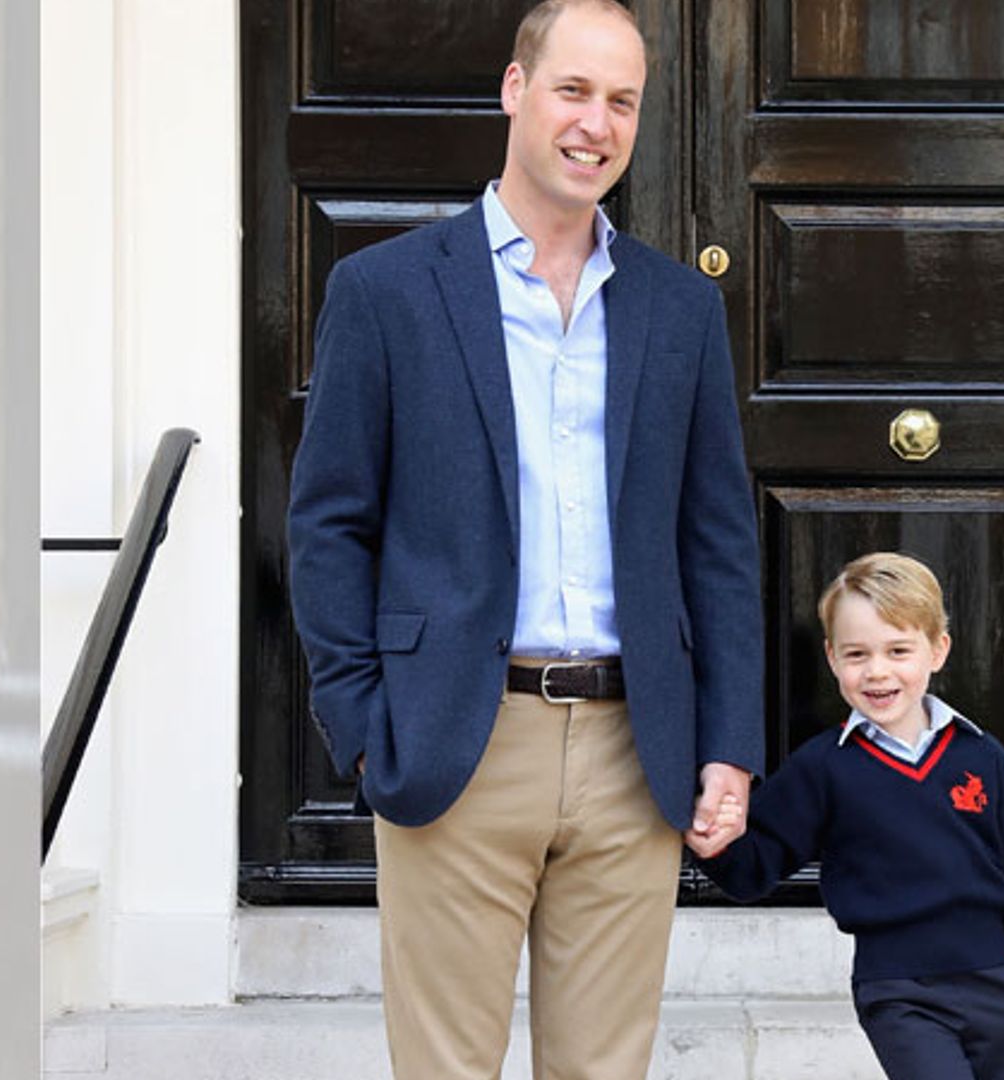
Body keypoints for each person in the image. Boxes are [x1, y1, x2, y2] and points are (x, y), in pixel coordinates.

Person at [285, 1, 763, 1076]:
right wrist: (364, 725)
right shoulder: (388, 291)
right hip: (456, 735)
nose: (598, 123)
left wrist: (728, 743)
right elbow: (328, 523)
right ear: (515, 89)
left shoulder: (678, 309)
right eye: (575, 90)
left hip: (632, 750)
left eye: (623, 100)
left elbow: (718, 542)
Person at [687, 552, 1004, 1080]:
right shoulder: (823, 766)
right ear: (833, 658)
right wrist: (714, 839)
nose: (877, 671)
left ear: (937, 650)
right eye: (857, 654)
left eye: (898, 650)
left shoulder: (982, 755)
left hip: (1001, 984)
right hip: (899, 989)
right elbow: (755, 864)